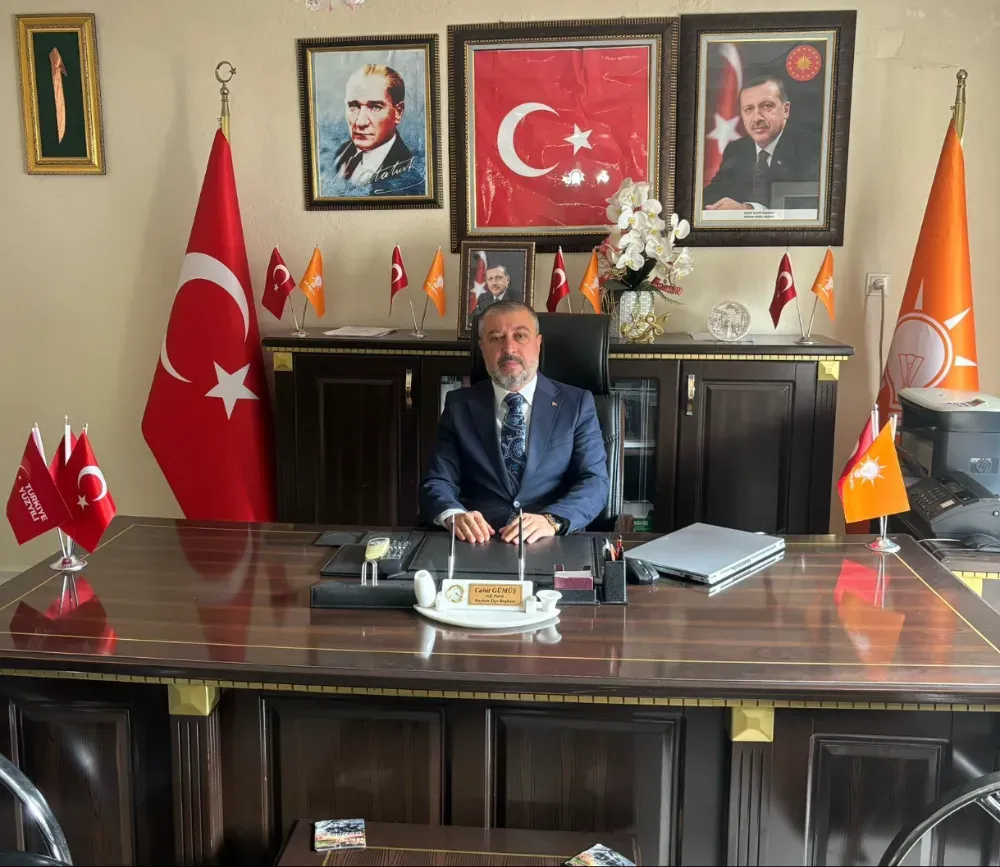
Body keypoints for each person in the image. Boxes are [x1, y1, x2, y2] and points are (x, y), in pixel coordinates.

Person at [419, 300, 609, 545]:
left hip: (551, 540)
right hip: (479, 541)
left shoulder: (576, 404)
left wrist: (552, 521)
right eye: (496, 338)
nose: (509, 348)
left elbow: (594, 481)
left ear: (538, 344)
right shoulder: (459, 405)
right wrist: (453, 515)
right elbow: (438, 481)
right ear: (482, 348)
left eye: (520, 336)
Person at [702, 75, 820, 211]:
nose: (757, 118)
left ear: (786, 110)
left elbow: (809, 204)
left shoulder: (811, 147)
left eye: (766, 106)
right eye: (749, 109)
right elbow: (711, 196)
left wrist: (749, 211)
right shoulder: (736, 150)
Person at [330, 64, 420, 195]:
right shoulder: (340, 154)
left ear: (398, 112)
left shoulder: (409, 172)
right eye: (354, 106)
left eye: (375, 107)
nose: (360, 122)